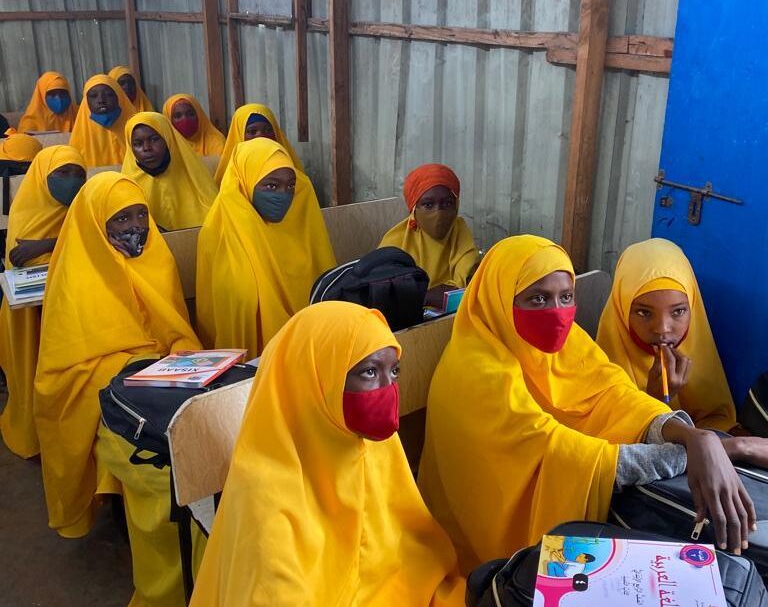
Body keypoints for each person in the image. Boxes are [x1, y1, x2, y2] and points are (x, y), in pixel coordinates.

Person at [418, 235, 756, 573]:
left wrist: (688, 434)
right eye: (537, 299)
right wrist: (719, 448)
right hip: (489, 540)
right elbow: (558, 453)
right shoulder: (475, 371)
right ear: (500, 300)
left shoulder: (569, 343)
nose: (557, 313)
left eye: (566, 297)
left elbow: (614, 397)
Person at [190, 302, 465, 607]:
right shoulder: (264, 491)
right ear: (318, 381)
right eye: (370, 372)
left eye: (395, 371)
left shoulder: (371, 442)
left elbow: (412, 555)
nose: (388, 388)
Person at [33, 172, 200, 541]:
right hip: (106, 386)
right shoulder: (76, 276)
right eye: (122, 219)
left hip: (158, 374)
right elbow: (68, 370)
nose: (136, 227)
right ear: (97, 222)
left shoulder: (156, 257)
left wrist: (179, 354)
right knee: (155, 467)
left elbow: (175, 327)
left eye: (141, 215)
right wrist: (135, 368)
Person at [196, 138, 335, 358]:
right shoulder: (218, 234)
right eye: (271, 186)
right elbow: (214, 313)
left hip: (307, 352)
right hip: (249, 364)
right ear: (246, 183)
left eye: (290, 186)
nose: (283, 194)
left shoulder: (303, 227)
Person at [597, 238, 737, 431]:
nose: (662, 329)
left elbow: (717, 421)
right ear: (621, 310)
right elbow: (614, 446)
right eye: (644, 312)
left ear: (693, 308)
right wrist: (656, 403)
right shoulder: (599, 373)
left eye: (678, 311)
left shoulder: (702, 359)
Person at [0, 145, 86, 459]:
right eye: (63, 173)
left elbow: (93, 241)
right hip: (33, 315)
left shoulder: (85, 208)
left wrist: (49, 244)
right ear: (42, 177)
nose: (72, 181)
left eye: (79, 174)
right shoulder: (26, 213)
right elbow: (19, 268)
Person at [380, 164, 480, 305]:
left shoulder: (460, 231)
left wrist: (448, 294)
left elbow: (471, 281)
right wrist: (426, 297)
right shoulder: (395, 243)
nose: (438, 213)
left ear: (456, 205)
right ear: (413, 208)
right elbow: (386, 294)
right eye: (428, 205)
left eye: (447, 203)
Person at [122, 112, 218, 231]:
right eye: (138, 144)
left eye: (154, 139)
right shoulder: (127, 185)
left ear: (168, 139)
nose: (147, 148)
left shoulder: (192, 174)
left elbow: (216, 217)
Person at [214, 103, 303, 185]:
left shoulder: (288, 167)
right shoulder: (230, 175)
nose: (261, 136)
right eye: (252, 132)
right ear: (239, 135)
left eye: (268, 130)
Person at [69, 74, 135, 167]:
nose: (101, 100)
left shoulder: (136, 129)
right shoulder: (78, 140)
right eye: (93, 96)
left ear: (119, 97)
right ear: (86, 102)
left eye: (108, 95)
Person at [162, 93, 225, 158]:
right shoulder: (164, 146)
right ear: (169, 119)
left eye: (190, 114)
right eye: (178, 116)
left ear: (199, 115)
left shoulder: (216, 142)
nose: (185, 119)